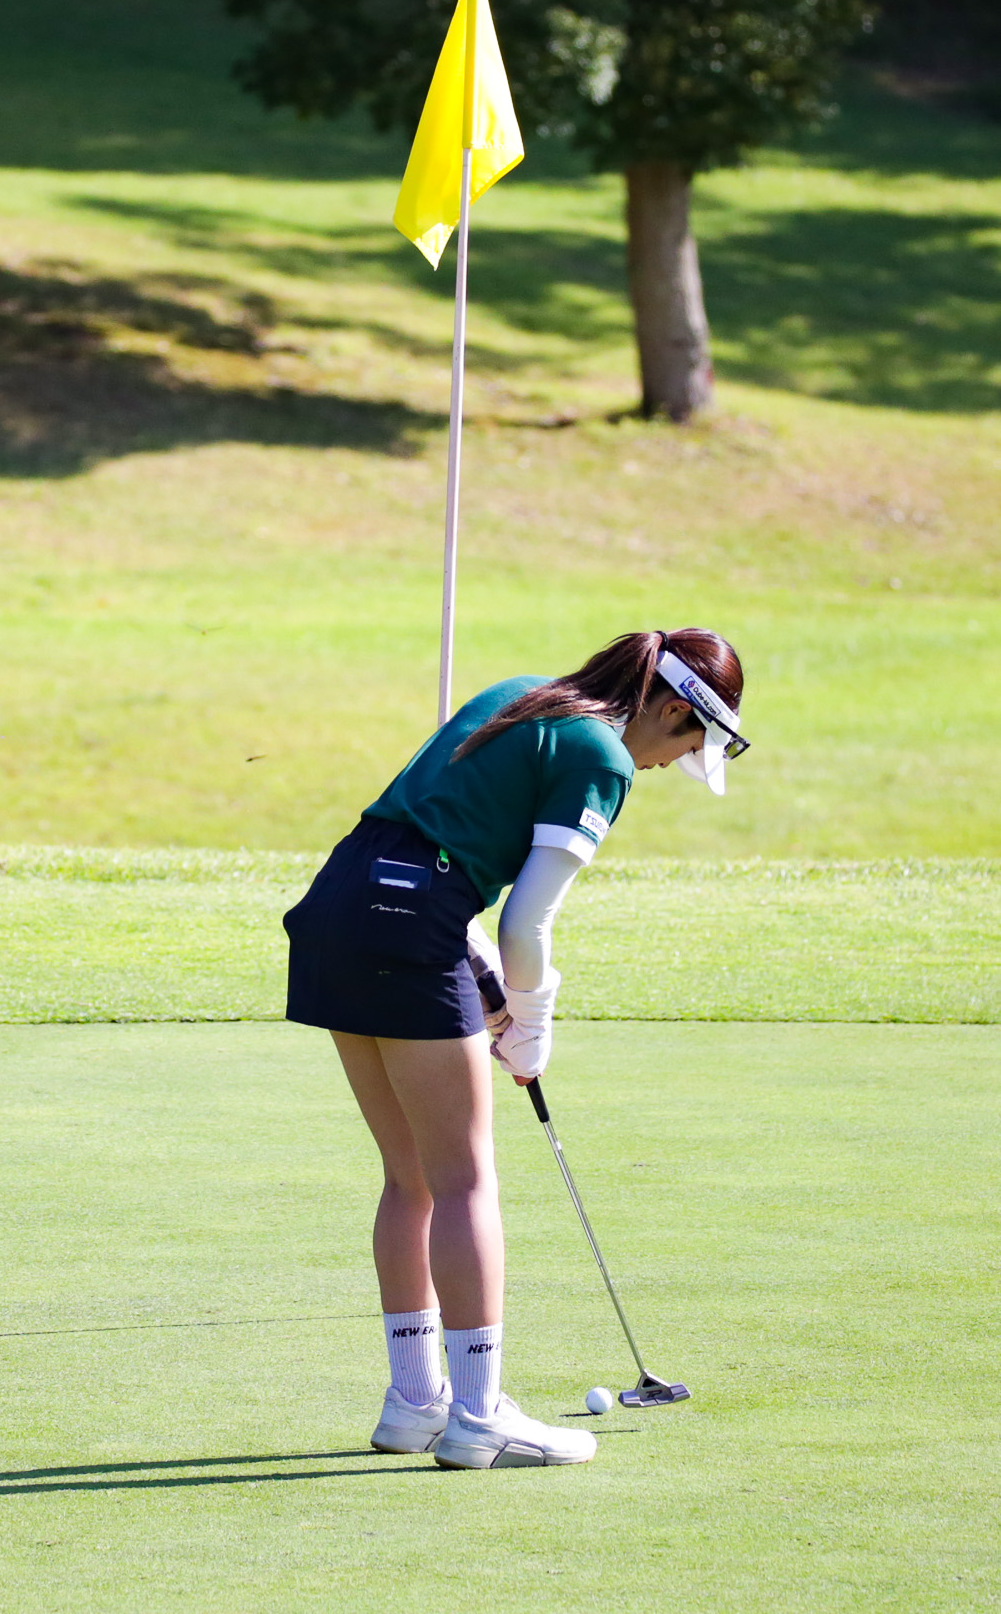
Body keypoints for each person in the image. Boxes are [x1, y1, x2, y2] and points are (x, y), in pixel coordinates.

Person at [283, 628, 747, 1471]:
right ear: (675, 708)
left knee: (410, 1177)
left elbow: (424, 842)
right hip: (410, 920)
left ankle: (413, 1404)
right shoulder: (601, 755)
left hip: (339, 905)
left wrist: (488, 984)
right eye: (679, 746)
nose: (657, 767)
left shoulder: (520, 692)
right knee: (463, 1179)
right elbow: (526, 920)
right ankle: (478, 1416)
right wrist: (531, 1017)